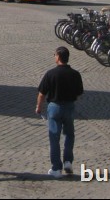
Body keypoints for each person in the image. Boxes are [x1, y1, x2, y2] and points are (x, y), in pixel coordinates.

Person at [36, 46, 84, 178]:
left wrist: (38, 107)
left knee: (54, 137)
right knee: (69, 134)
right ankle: (68, 161)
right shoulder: (75, 74)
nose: (54, 57)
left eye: (54, 55)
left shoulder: (50, 74)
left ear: (58, 57)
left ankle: (56, 168)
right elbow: (79, 93)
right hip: (69, 106)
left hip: (54, 107)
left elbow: (41, 94)